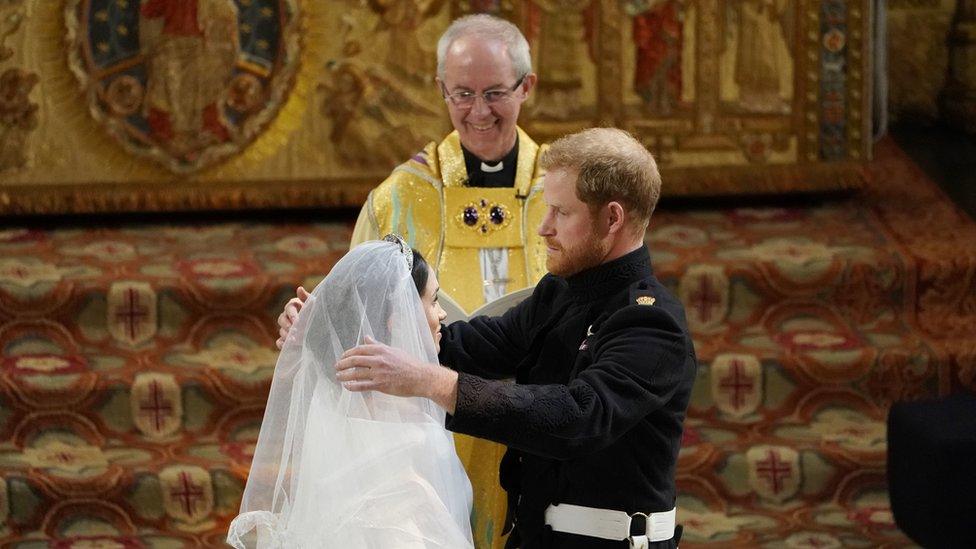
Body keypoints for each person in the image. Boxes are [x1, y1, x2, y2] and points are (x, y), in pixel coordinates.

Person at [335, 128, 698, 548]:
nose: (543, 228)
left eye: (560, 213)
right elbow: (464, 347)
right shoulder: (561, 293)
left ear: (612, 218)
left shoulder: (653, 325)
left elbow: (578, 417)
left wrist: (431, 382)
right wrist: (331, 327)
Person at [277, 14, 548, 546]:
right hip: (425, 428)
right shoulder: (399, 196)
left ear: (526, 87)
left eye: (495, 93)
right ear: (440, 89)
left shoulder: (563, 189)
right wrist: (309, 329)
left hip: (541, 418)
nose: (477, 111)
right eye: (461, 94)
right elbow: (356, 317)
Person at [228, 236, 473, 548]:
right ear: (399, 316)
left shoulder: (336, 392)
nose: (441, 315)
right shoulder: (410, 416)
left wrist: (317, 328)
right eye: (434, 301)